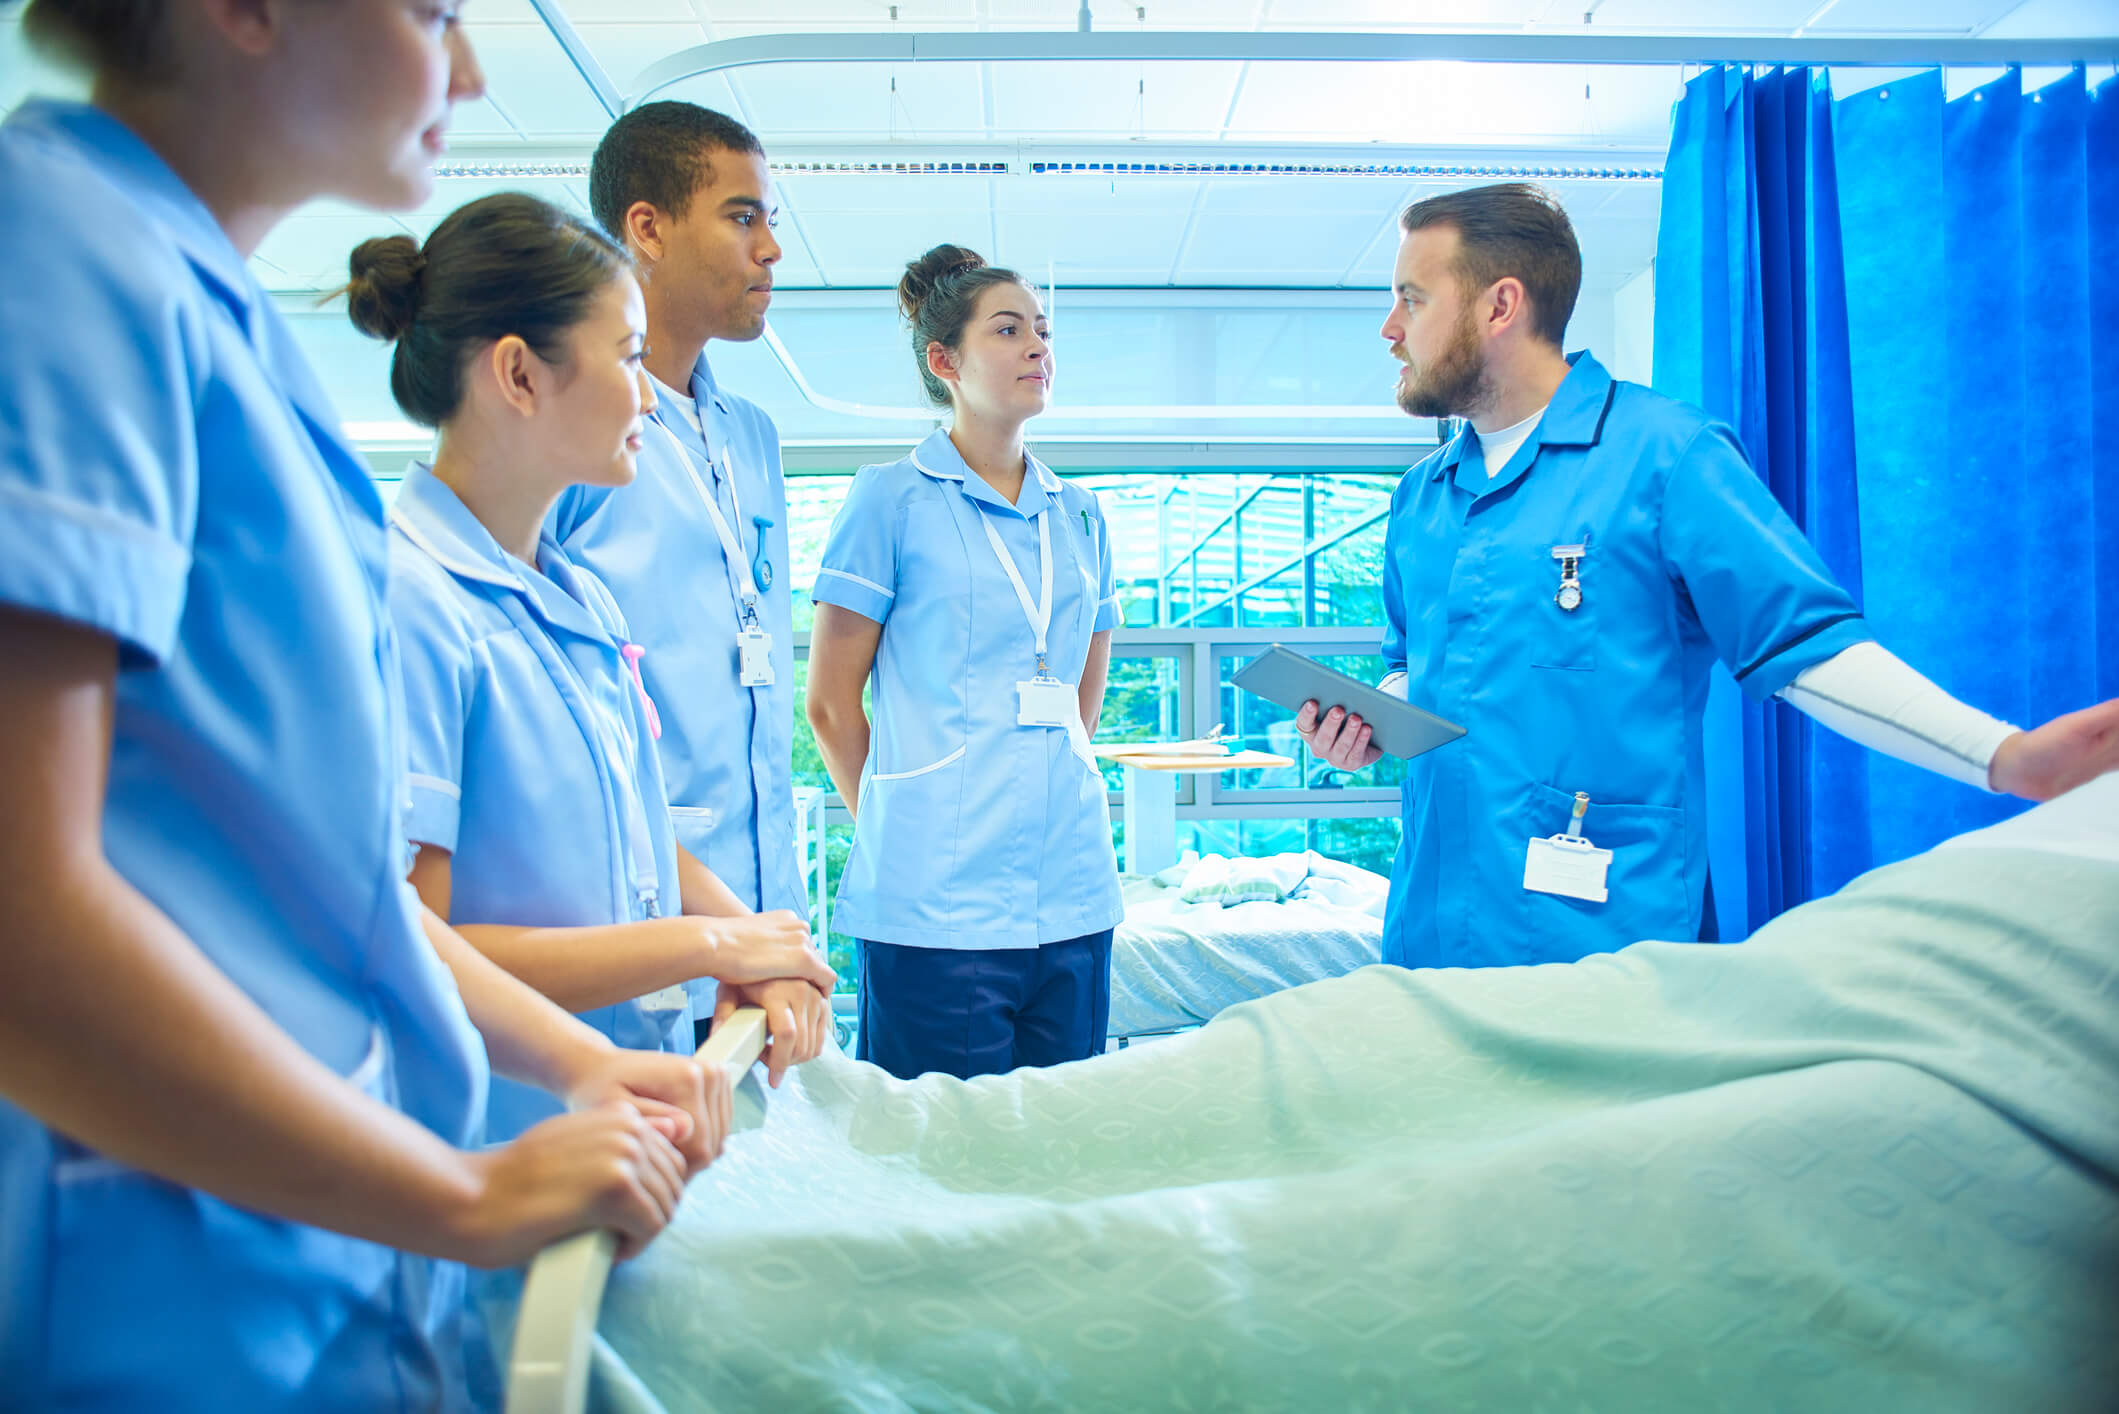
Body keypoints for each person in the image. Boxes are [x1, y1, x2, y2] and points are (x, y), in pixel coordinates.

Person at [0, 5, 726, 1409]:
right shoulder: (60, 256)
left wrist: (587, 1066)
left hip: (319, 1261)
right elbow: (22, 921)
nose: (469, 70)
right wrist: (461, 1194)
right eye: (434, 13)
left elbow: (341, 895)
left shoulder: (212, 318)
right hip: (163, 1293)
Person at [1300, 183, 2119, 971]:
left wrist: (2001, 755)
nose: (1389, 329)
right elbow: (1414, 671)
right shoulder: (1423, 497)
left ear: (1499, 306)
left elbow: (1805, 647)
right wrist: (1369, 727)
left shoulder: (1662, 455)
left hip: (1604, 937)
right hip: (1432, 931)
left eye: (1411, 299)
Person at [346, 192, 836, 1142]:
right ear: (519, 375)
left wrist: (760, 946)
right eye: (627, 358)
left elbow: (648, 835)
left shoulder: (580, 597)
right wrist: (710, 943)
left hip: (620, 1120)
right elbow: (413, 944)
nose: (649, 397)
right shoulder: (411, 602)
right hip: (498, 1139)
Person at [805, 245, 1123, 1082]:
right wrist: (903, 828)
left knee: (1060, 1133)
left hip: (1073, 890)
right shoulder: (890, 499)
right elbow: (830, 707)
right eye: (1009, 330)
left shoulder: (1081, 514)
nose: (1037, 347)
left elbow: (1081, 700)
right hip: (933, 905)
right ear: (943, 361)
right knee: (935, 1144)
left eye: (1042, 331)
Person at [549, 102, 802, 1045]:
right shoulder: (573, 429)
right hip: (635, 915)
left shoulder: (751, 436)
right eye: (742, 217)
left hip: (761, 916)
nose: (770, 248)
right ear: (647, 230)